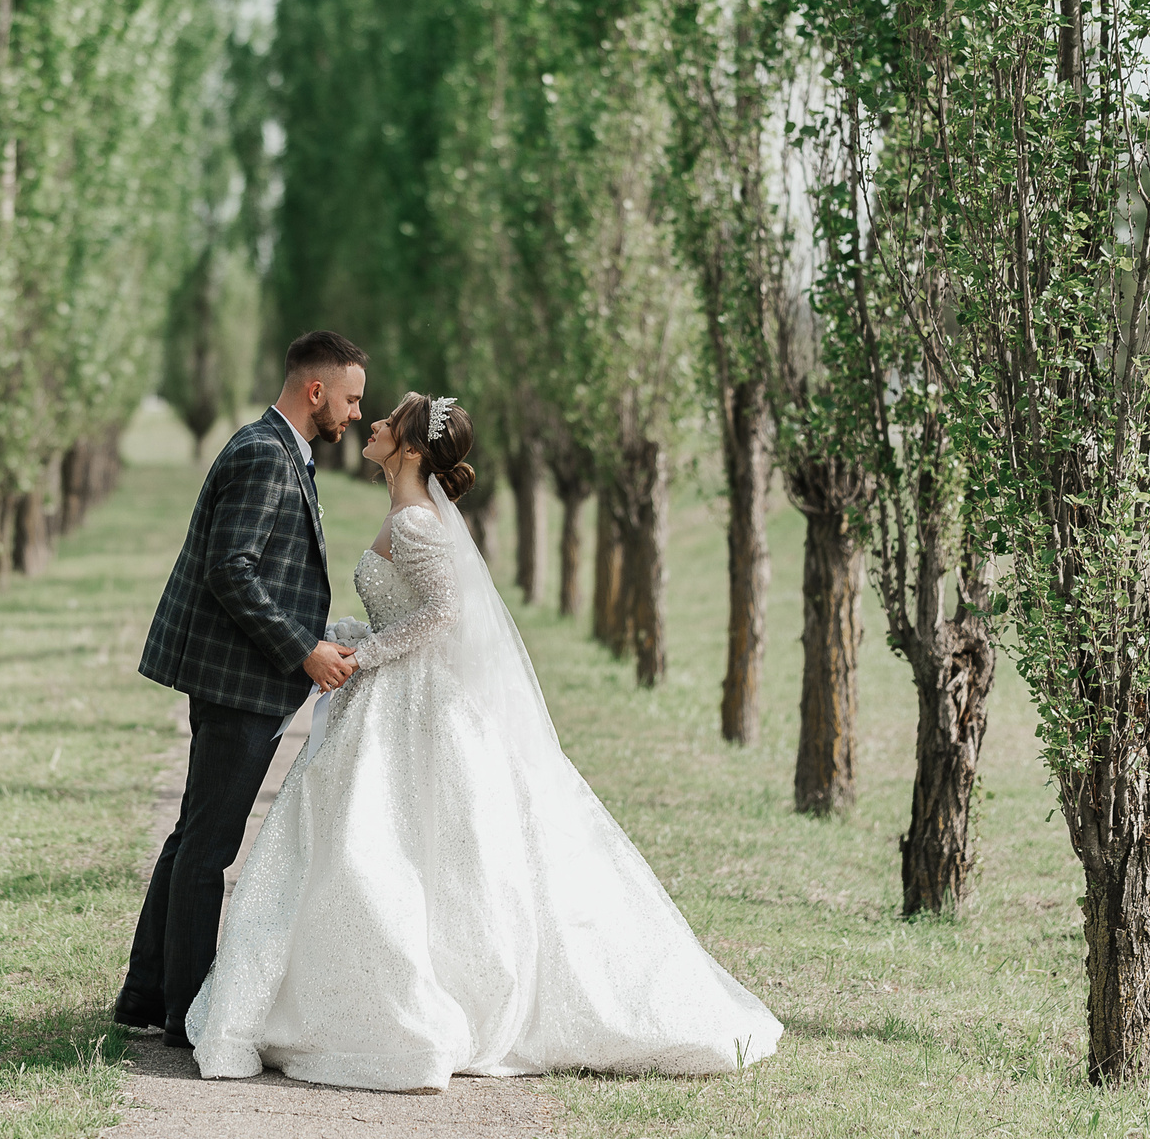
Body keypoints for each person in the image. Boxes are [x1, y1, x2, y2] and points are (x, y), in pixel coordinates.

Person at [185, 392, 782, 1091]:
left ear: (408, 449)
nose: (372, 424)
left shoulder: (413, 522)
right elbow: (411, 606)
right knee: (386, 843)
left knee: (386, 842)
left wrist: (368, 656)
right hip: (398, 694)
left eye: (386, 422)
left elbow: (443, 612)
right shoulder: (410, 515)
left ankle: (416, 1003)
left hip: (413, 701)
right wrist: (355, 637)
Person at [115, 330, 370, 1048]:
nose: (354, 413)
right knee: (209, 848)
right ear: (315, 390)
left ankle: (147, 994)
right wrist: (305, 652)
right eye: (349, 399)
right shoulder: (264, 453)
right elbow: (233, 570)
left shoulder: (283, 448)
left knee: (193, 835)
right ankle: (187, 1014)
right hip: (239, 680)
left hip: (244, 676)